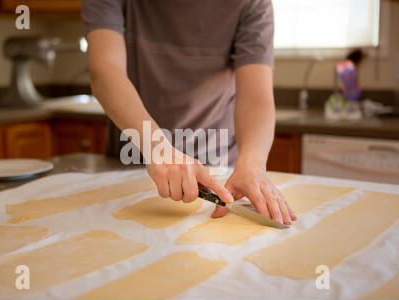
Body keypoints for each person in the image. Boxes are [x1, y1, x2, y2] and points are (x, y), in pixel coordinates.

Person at [82, 0, 296, 225]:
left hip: (218, 173)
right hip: (130, 164)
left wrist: (252, 165)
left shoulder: (252, 3)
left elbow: (255, 98)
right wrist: (158, 148)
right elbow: (105, 72)